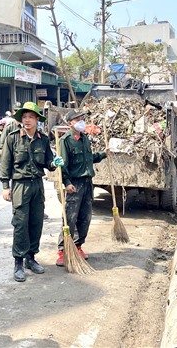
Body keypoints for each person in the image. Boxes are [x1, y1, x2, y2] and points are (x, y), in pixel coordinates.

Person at [0, 102, 64, 282]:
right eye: (24, 117)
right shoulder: (13, 138)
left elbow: (48, 162)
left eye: (30, 117)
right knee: (20, 224)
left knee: (36, 223)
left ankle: (31, 258)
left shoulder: (43, 139)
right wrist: (5, 186)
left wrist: (55, 163)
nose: (26, 120)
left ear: (37, 119)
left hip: (37, 185)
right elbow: (5, 163)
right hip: (20, 185)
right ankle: (18, 262)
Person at [55, 109, 107, 266]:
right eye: (77, 119)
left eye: (82, 119)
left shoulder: (84, 139)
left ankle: (78, 246)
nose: (81, 122)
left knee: (85, 217)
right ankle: (62, 250)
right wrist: (67, 182)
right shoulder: (65, 141)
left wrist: (104, 154)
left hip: (87, 183)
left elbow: (89, 159)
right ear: (70, 123)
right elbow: (62, 165)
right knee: (70, 218)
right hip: (74, 184)